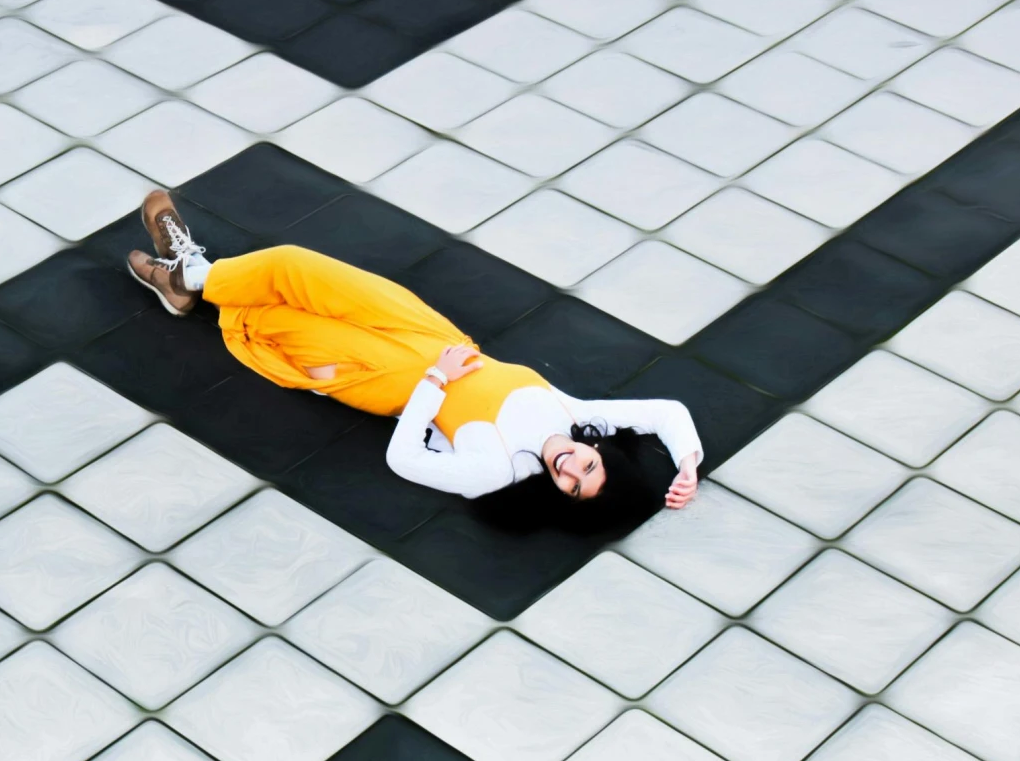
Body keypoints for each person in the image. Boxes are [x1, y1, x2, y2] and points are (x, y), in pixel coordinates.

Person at [125, 189, 702, 533]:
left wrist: (433, 383)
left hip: (387, 376)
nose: (571, 470)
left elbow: (403, 459)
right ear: (599, 453)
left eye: (572, 488)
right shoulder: (568, 414)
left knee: (269, 313)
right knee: (293, 264)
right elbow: (664, 411)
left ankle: (185, 270)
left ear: (560, 495)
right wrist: (686, 465)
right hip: (426, 330)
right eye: (589, 469)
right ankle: (188, 276)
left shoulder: (495, 472)